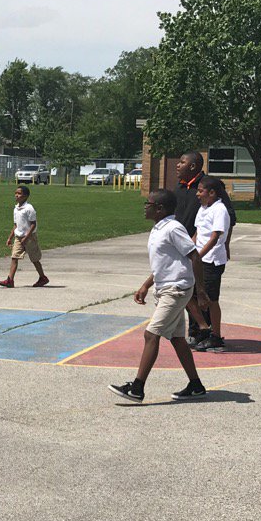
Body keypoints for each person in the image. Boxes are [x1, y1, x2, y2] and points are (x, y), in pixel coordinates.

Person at [108, 189, 209, 403]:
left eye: (149, 203)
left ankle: (137, 388)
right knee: (177, 338)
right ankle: (196, 385)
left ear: (160, 208)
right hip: (165, 288)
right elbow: (164, 263)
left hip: (177, 289)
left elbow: (195, 257)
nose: (145, 206)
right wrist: (146, 285)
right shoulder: (158, 229)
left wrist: (200, 291)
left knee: (151, 335)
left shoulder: (173, 228)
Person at [174, 150, 237, 342]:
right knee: (189, 292)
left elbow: (227, 222)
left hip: (206, 256)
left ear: (192, 166)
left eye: (182, 162)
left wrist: (225, 245)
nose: (177, 165)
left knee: (206, 295)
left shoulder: (211, 189)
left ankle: (209, 333)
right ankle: (197, 331)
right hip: (188, 250)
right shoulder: (181, 188)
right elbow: (196, 229)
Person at [188, 177, 232, 351]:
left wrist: (198, 256)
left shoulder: (220, 210)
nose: (197, 194)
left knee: (211, 299)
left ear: (212, 193)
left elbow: (215, 237)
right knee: (189, 295)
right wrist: (188, 251)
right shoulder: (203, 208)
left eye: (200, 191)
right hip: (198, 259)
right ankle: (203, 329)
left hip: (211, 261)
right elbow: (198, 234)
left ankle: (216, 336)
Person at [0, 185, 48, 287]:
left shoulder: (29, 208)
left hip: (29, 237)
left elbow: (33, 224)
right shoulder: (16, 208)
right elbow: (16, 225)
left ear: (25, 196)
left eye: (19, 193)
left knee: (34, 259)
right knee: (14, 257)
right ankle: (10, 280)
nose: (16, 195)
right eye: (15, 193)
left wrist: (26, 237)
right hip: (19, 237)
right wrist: (10, 237)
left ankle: (43, 277)